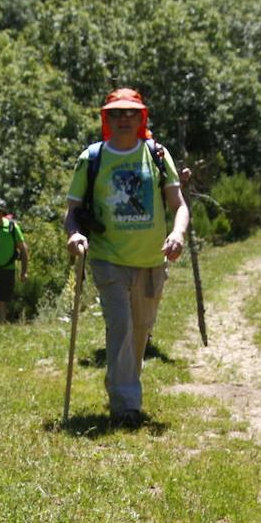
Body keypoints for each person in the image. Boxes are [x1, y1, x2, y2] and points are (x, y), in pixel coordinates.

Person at [64, 88, 189, 425]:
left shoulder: (158, 155)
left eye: (130, 113)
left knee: (140, 331)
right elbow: (73, 211)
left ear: (141, 118)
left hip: (151, 260)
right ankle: (126, 406)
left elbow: (179, 206)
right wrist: (75, 234)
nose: (123, 118)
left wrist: (177, 234)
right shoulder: (92, 158)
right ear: (107, 118)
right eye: (116, 113)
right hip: (108, 257)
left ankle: (124, 389)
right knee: (120, 326)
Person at [0, 197, 29, 324]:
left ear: (2, 213)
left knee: (1, 301)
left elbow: (23, 249)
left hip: (7, 268)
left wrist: (24, 271)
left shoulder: (12, 227)